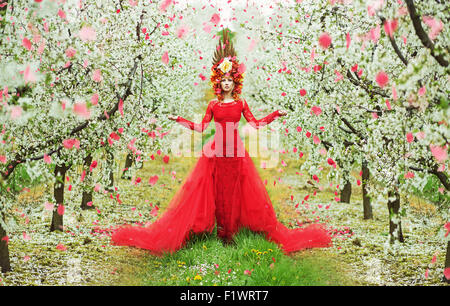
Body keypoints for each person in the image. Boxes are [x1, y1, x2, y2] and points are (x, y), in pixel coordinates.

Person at [110, 29, 331, 256]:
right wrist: (179, 120)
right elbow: (202, 128)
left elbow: (254, 124)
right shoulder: (214, 106)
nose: (227, 84)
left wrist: (275, 114)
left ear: (235, 82)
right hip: (215, 151)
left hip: (235, 151)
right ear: (219, 82)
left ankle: (232, 233)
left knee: (235, 191)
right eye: (223, 80)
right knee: (217, 191)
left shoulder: (241, 103)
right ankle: (220, 231)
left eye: (230, 80)